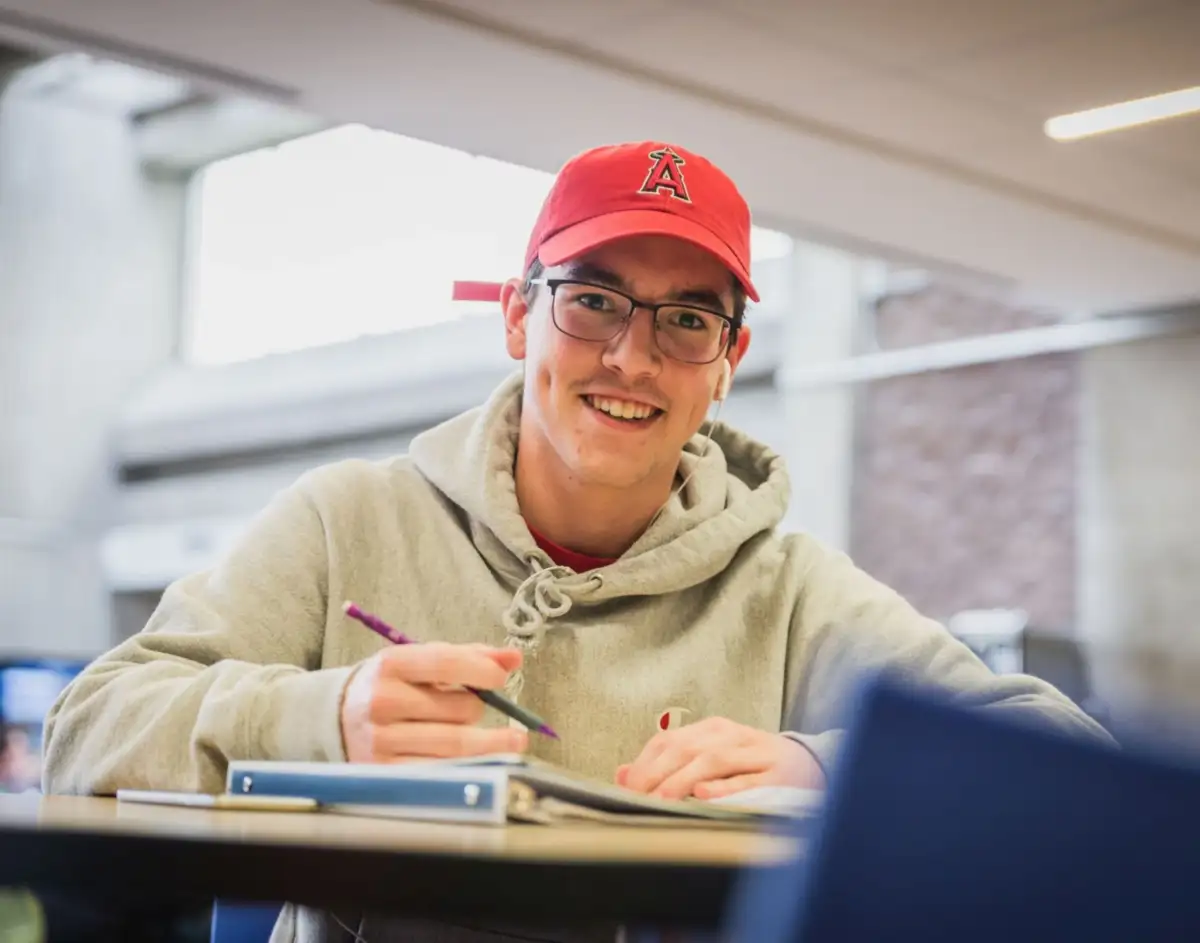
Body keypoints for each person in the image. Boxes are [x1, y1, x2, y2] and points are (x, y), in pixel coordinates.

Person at [41, 140, 1110, 941]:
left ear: (727, 360)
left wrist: (812, 765)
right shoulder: (347, 518)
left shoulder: (787, 587)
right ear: (519, 318)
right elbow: (86, 730)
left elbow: (1069, 765)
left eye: (687, 319)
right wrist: (322, 714)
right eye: (593, 300)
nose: (633, 359)